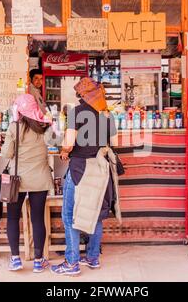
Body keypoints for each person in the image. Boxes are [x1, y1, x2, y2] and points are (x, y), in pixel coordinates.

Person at [51, 77, 122, 276]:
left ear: (82, 95)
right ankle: (92, 258)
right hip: (101, 168)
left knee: (70, 215)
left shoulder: (77, 112)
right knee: (96, 213)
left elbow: (69, 143)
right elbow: (115, 141)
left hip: (80, 169)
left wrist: (65, 150)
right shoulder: (107, 114)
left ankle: (72, 263)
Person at [1, 94, 53, 272]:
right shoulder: (45, 127)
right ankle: (38, 261)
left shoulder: (14, 127)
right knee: (38, 219)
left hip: (18, 180)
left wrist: (14, 123)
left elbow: (6, 154)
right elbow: (57, 143)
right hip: (40, 179)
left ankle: (15, 259)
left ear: (18, 110)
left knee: (13, 218)